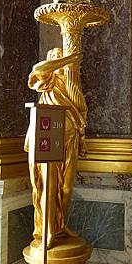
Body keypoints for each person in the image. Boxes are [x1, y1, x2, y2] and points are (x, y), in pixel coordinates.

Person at [24, 48, 86, 248]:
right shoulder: (47, 80)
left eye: (60, 55)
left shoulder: (70, 83)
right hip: (47, 136)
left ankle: (59, 223)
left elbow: (80, 109)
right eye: (55, 55)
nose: (58, 57)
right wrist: (68, 59)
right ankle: (48, 230)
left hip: (69, 137)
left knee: (66, 187)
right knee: (48, 186)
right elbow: (38, 68)